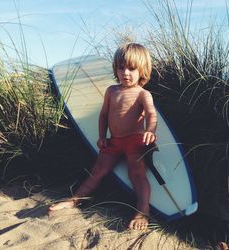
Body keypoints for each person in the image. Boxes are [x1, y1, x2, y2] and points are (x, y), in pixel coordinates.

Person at [49, 43, 158, 230]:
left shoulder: (143, 94)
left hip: (134, 140)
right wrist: (102, 136)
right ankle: (75, 200)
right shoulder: (111, 91)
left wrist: (150, 131)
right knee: (97, 170)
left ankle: (142, 210)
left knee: (137, 173)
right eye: (121, 67)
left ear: (143, 71)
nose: (125, 72)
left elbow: (151, 115)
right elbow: (104, 115)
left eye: (132, 68)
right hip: (114, 141)